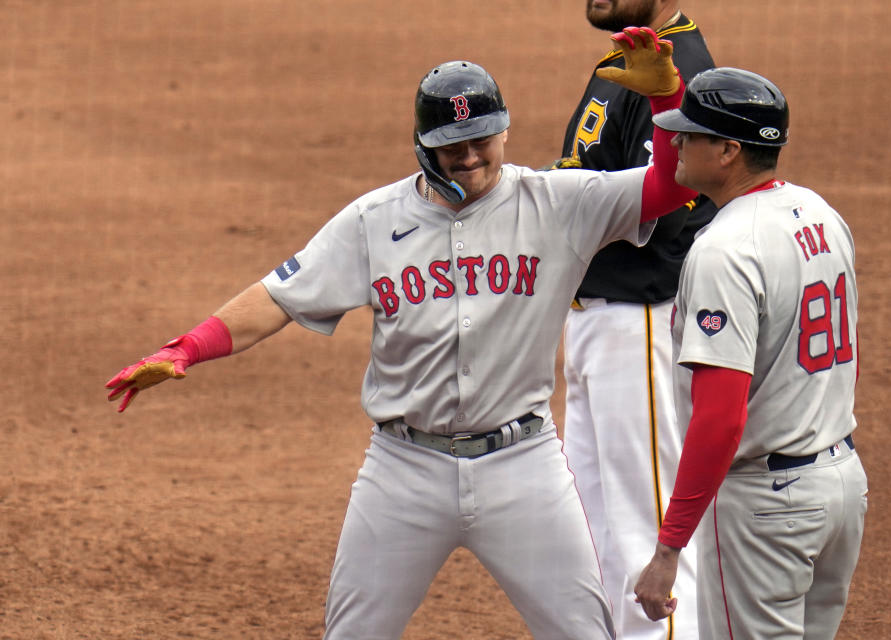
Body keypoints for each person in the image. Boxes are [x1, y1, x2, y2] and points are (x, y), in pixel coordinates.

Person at [105, 29, 697, 640]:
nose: (467, 156)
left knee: (584, 632)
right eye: (449, 146)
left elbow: (672, 186)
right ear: (422, 147)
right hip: (402, 469)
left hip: (523, 467)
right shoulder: (373, 220)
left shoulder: (559, 202)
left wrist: (666, 102)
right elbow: (278, 296)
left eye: (478, 139)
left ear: (503, 131)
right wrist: (185, 348)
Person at [632, 67, 868, 639]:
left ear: (729, 151)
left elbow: (720, 418)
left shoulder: (724, 249)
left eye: (690, 133)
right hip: (840, 486)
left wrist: (668, 550)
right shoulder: (820, 214)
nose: (676, 144)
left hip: (768, 509)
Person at [555, 1, 715, 638]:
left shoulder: (680, 68)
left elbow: (669, 204)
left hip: (640, 320)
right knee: (595, 538)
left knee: (647, 539)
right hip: (600, 322)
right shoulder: (636, 54)